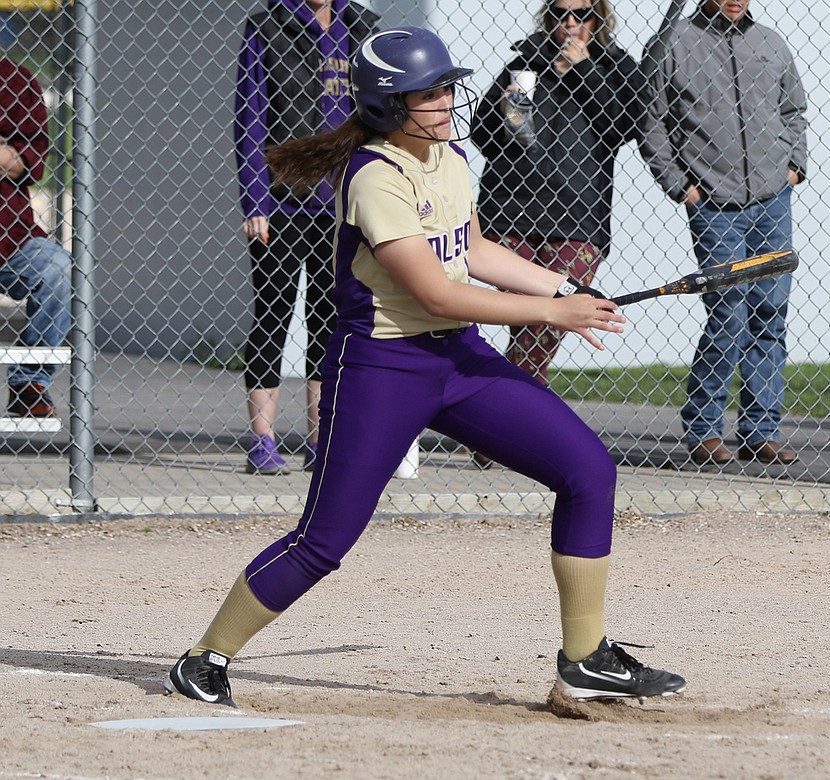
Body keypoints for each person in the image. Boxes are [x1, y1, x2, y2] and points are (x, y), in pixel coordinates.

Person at [164, 28, 685, 707]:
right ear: (387, 104)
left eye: (446, 87)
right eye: (428, 93)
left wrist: (561, 288)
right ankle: (204, 659)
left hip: (457, 359)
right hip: (382, 366)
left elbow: (470, 250)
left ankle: (585, 657)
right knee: (324, 542)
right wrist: (548, 315)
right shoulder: (375, 175)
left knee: (588, 471)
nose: (446, 101)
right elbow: (432, 291)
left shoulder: (451, 158)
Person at [639, 0, 808, 468]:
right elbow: (650, 122)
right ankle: (704, 428)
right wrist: (680, 187)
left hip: (773, 198)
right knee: (729, 311)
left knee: (770, 312)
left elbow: (794, 110)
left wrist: (795, 167)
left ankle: (761, 430)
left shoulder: (770, 43)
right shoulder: (673, 44)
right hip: (714, 203)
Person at [234, 0, 379, 474]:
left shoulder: (359, 27)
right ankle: (263, 441)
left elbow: (377, 116)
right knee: (273, 315)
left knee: (329, 317)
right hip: (281, 202)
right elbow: (250, 118)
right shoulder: (267, 25)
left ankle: (321, 439)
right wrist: (255, 200)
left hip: (340, 204)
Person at [470, 0, 645, 387]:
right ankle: (514, 417)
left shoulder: (615, 65)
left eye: (582, 15)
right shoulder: (527, 60)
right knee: (525, 314)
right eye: (561, 14)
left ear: (599, 18)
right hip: (510, 208)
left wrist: (583, 69)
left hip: (578, 215)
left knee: (548, 319)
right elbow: (481, 134)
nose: (570, 23)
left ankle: (504, 409)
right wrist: (503, 112)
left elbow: (627, 124)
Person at [1, 57, 71, 419]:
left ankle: (29, 382)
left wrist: (9, 154)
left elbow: (29, 162)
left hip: (9, 235)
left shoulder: (14, 79)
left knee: (59, 268)